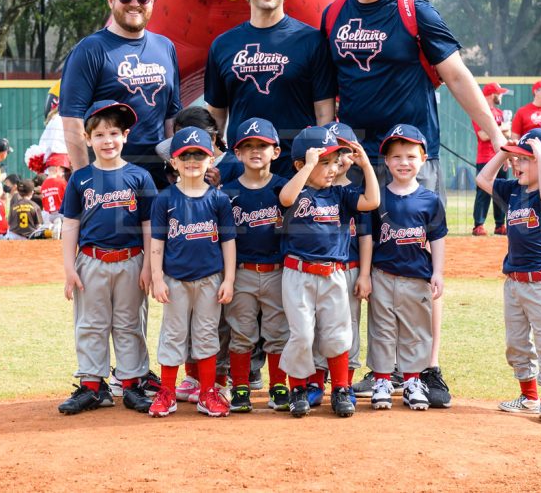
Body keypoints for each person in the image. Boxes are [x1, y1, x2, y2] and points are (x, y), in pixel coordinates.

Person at [323, 0, 504, 404]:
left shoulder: (413, 9)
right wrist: (327, 149)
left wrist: (492, 131)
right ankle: (372, 368)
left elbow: (456, 75)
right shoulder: (333, 15)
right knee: (361, 261)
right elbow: (327, 89)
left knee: (418, 259)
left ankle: (426, 368)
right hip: (358, 160)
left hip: (413, 157)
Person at [56, 100, 158, 416]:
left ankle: (131, 384)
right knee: (91, 324)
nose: (107, 140)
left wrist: (149, 267)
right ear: (88, 139)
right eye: (99, 135)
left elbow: (149, 225)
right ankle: (92, 386)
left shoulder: (139, 177)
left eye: (114, 133)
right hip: (91, 260)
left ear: (125, 136)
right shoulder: (81, 178)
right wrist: (69, 267)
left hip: (131, 260)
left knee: (130, 324)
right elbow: (70, 224)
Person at [205, 0, 336, 177]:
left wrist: (317, 167)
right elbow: (216, 115)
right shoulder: (223, 45)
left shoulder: (312, 41)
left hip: (296, 168)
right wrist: (215, 160)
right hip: (241, 169)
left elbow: (324, 113)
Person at [278, 125, 380, 418]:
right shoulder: (297, 190)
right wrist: (308, 166)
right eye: (325, 162)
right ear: (301, 164)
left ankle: (340, 389)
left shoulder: (341, 194)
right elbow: (286, 199)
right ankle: (298, 388)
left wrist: (366, 166)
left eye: (335, 161)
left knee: (337, 334)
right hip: (298, 274)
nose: (333, 168)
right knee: (301, 335)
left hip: (333, 274)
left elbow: (372, 201)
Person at [476, 128, 541, 423]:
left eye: (524, 160)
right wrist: (504, 152)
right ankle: (528, 396)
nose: (517, 164)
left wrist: (539, 155)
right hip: (514, 283)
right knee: (516, 343)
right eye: (517, 159)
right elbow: (483, 180)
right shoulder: (513, 191)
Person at [59, 0, 181, 187]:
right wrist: (86, 182)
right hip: (107, 179)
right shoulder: (89, 50)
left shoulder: (165, 47)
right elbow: (72, 121)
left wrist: (177, 169)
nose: (134, 3)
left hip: (157, 179)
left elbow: (171, 117)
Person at [147, 126, 236, 419]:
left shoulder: (218, 199)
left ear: (210, 159)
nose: (192, 161)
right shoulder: (165, 199)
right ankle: (167, 392)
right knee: (173, 334)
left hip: (210, 278)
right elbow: (157, 242)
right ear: (174, 161)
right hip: (175, 279)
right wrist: (157, 278)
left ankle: (207, 392)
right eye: (185, 155)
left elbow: (228, 242)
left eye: (199, 155)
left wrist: (229, 279)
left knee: (206, 334)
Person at [364, 125, 447, 411]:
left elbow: (437, 237)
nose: (403, 162)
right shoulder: (377, 198)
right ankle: (382, 381)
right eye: (396, 156)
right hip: (382, 275)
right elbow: (369, 239)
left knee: (416, 331)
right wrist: (366, 275)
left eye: (411, 156)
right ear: (386, 161)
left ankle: (413, 382)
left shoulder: (430, 200)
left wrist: (438, 272)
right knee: (382, 330)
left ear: (423, 159)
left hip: (416, 277)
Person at [220, 118, 291, 413]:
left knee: (278, 332)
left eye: (262, 145)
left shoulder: (284, 189)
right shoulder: (227, 193)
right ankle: (240, 387)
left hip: (277, 271)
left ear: (276, 151)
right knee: (241, 332)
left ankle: (278, 385)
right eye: (247, 146)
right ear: (237, 153)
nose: (255, 151)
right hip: (243, 272)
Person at [473, 82, 511, 236]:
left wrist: (502, 129)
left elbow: (508, 134)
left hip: (501, 156)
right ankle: (478, 225)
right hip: (485, 158)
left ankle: (500, 225)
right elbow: (483, 135)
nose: (501, 95)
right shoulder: (480, 112)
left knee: (501, 191)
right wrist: (502, 127)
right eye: (499, 93)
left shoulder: (500, 113)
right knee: (483, 192)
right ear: (491, 94)